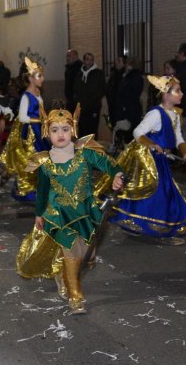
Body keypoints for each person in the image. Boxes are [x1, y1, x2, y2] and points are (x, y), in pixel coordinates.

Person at [19, 108, 123, 314]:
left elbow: (108, 164)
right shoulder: (45, 162)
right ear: (47, 133)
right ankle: (76, 296)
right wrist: (39, 213)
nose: (60, 134)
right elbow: (42, 191)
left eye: (65, 129)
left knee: (86, 252)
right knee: (72, 252)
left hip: (84, 211)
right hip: (59, 215)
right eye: (55, 129)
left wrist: (118, 174)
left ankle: (65, 275)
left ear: (73, 130)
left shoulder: (85, 154)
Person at [107, 75, 186, 245]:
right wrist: (152, 144)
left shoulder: (176, 115)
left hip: (161, 161)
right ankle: (158, 230)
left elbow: (178, 137)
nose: (182, 94)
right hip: (149, 161)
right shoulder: (156, 114)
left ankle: (148, 225)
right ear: (165, 94)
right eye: (178, 91)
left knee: (162, 193)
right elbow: (137, 132)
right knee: (160, 194)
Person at [0, 57, 50, 201]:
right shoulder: (26, 96)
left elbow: (41, 111)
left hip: (39, 131)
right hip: (29, 133)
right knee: (31, 161)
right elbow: (22, 117)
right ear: (31, 78)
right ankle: (27, 190)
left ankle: (40, 188)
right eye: (39, 76)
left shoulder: (38, 94)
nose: (43, 78)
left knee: (44, 160)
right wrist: (39, 120)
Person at [108, 57, 144, 153]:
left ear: (131, 65)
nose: (125, 65)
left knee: (129, 134)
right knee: (122, 132)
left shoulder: (134, 77)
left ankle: (130, 156)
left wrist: (124, 107)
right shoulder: (128, 76)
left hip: (129, 111)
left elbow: (132, 94)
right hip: (126, 109)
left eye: (127, 64)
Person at [73, 53, 106, 138]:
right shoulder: (79, 74)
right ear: (84, 61)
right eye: (88, 59)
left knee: (92, 129)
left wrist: (95, 98)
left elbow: (102, 88)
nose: (90, 62)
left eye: (91, 59)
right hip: (81, 107)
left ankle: (93, 149)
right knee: (82, 129)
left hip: (93, 107)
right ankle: (82, 149)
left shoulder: (98, 73)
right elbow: (75, 88)